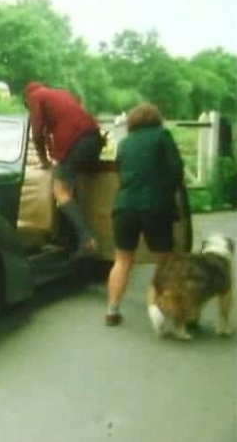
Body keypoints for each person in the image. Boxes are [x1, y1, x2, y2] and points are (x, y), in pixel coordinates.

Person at [105, 103, 184, 326]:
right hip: (155, 206)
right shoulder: (162, 136)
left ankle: (112, 310)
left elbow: (120, 170)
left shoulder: (125, 143)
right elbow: (176, 169)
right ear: (156, 119)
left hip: (125, 206)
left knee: (122, 260)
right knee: (165, 261)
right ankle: (167, 310)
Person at [24, 81, 104, 258]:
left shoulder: (35, 97)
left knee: (60, 190)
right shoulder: (60, 93)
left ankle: (86, 239)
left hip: (76, 142)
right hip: (94, 139)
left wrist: (44, 162)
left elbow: (37, 134)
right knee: (71, 187)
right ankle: (67, 238)